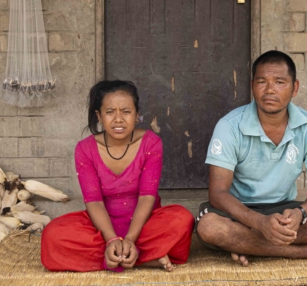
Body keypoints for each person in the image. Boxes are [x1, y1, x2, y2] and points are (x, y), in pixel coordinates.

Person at [195, 50, 307, 266]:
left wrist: (301, 213)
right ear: (253, 86)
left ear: (295, 88)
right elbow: (217, 194)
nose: (270, 90)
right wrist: (259, 222)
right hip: (240, 212)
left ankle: (249, 247)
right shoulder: (229, 126)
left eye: (280, 82)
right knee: (208, 226)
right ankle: (301, 252)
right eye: (262, 81)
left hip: (285, 210)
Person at [41, 80, 194, 272]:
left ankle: (119, 255)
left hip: (144, 223)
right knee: (52, 235)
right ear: (99, 116)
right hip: (101, 226)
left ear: (137, 115)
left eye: (126, 112)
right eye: (110, 111)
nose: (119, 119)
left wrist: (130, 238)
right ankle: (143, 258)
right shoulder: (85, 149)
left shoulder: (151, 143)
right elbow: (94, 201)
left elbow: (147, 196)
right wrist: (111, 239)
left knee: (182, 219)